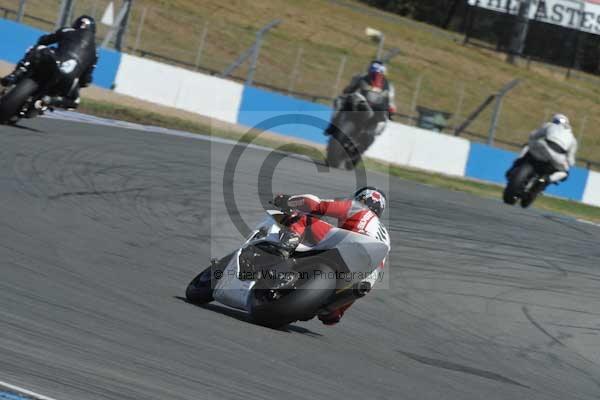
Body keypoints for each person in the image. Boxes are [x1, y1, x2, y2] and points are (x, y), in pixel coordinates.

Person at [273, 186, 390, 325]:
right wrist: (337, 311)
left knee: (302, 218)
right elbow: (376, 270)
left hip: (351, 243)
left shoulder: (357, 207)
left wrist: (288, 200)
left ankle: (283, 248)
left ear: (360, 198)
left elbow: (318, 206)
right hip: (366, 271)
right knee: (361, 286)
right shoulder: (385, 236)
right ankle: (333, 308)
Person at [1, 15, 98, 110]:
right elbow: (86, 80)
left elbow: (44, 40)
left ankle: (15, 75)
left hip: (54, 62)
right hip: (68, 78)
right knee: (75, 101)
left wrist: (44, 42)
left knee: (37, 48)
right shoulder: (95, 52)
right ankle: (51, 100)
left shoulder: (68, 31)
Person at [324, 60, 397, 157]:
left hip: (377, 111)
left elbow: (391, 101)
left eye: (379, 72)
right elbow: (348, 89)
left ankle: (360, 151)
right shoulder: (361, 78)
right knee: (339, 103)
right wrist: (348, 93)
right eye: (375, 72)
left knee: (375, 130)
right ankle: (332, 127)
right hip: (359, 104)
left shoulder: (389, 86)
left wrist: (391, 109)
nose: (377, 75)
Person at [506, 114, 578, 187]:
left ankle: (515, 165)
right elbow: (571, 160)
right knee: (565, 173)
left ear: (554, 120)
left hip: (543, 147)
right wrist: (567, 164)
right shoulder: (573, 139)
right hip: (557, 157)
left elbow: (533, 135)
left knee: (527, 146)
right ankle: (548, 179)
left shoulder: (549, 125)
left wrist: (532, 142)